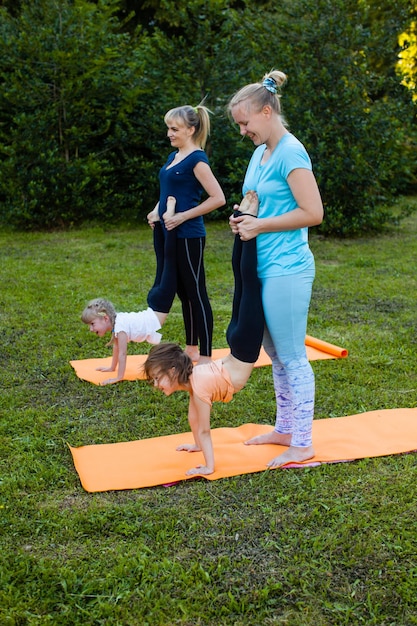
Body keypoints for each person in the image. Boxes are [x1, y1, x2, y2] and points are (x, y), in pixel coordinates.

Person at [227, 69, 324, 468]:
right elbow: (256, 198)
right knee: (275, 354)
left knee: (292, 355)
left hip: (287, 268)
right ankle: (285, 428)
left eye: (245, 122)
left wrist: (261, 224)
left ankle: (302, 443)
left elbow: (313, 213)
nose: (242, 131)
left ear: (266, 112)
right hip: (262, 266)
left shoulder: (290, 152)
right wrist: (243, 214)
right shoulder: (260, 152)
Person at [143, 191, 263, 476]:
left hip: (243, 346)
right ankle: (241, 222)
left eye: (158, 378)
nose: (156, 385)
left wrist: (208, 465)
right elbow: (193, 421)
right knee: (242, 281)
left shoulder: (197, 387)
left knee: (247, 280)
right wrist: (194, 445)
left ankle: (248, 221)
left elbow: (206, 430)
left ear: (174, 370)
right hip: (238, 345)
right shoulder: (194, 381)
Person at [146, 104, 226, 364]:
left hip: (189, 235)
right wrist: (156, 211)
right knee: (183, 293)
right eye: (168, 128)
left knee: (196, 293)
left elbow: (218, 198)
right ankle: (191, 349)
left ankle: (205, 355)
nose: (169, 133)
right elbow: (168, 192)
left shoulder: (197, 160)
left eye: (174, 129)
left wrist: (182, 216)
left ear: (191, 129)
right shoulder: (174, 157)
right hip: (169, 233)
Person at [81, 298, 166, 385]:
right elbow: (116, 347)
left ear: (106, 318)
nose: (91, 329)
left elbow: (122, 354)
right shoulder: (117, 322)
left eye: (92, 324)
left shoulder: (120, 327)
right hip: (155, 310)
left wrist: (119, 377)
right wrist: (112, 368)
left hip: (156, 316)